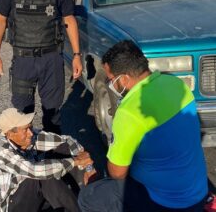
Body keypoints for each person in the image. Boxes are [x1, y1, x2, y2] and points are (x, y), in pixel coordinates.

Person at [78, 40, 208, 212]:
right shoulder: (176, 84)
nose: (111, 85)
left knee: (90, 196)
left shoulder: (129, 110)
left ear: (124, 79)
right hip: (198, 192)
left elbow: (117, 173)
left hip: (166, 202)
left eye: (111, 80)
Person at [0, 0, 82, 134]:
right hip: (23, 61)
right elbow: (1, 20)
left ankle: (52, 156)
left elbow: (69, 20)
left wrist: (76, 55)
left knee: (53, 112)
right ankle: (25, 156)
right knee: (22, 113)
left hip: (51, 59)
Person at [0, 107, 96, 212]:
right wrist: (75, 161)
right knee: (43, 175)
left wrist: (88, 167)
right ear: (10, 134)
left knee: (64, 149)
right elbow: (35, 170)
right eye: (25, 130)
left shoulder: (31, 135)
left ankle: (89, 200)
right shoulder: (2, 152)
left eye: (30, 127)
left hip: (39, 199)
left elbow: (67, 141)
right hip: (17, 206)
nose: (30, 133)